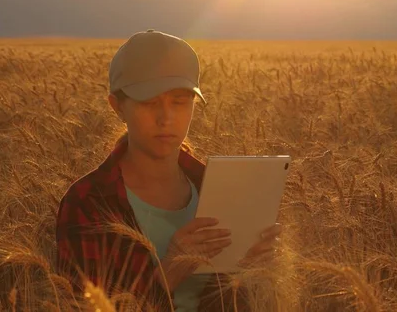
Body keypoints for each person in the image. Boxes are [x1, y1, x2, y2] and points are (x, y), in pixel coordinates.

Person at [55, 29, 283, 312]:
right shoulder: (89, 202)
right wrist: (171, 270)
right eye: (150, 103)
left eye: (179, 101)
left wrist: (248, 271)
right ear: (118, 107)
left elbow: (226, 300)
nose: (166, 118)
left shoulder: (216, 187)